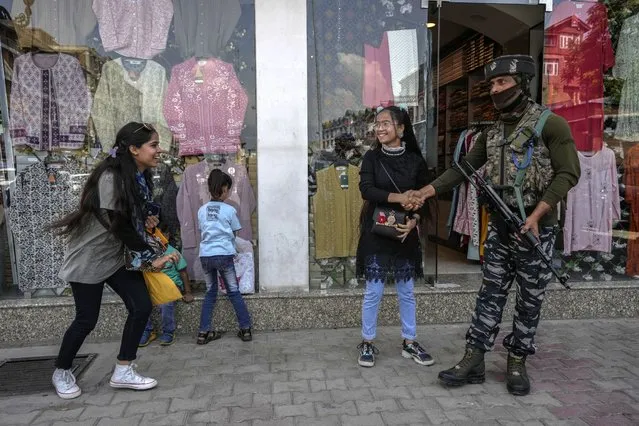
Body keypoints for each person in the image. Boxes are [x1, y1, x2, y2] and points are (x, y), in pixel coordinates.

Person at [411, 55, 580, 395]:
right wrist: (425, 191)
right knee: (489, 292)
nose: (495, 89)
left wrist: (536, 215)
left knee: (530, 298)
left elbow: (568, 173)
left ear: (522, 83)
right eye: (492, 84)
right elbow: (463, 169)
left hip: (536, 227)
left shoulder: (551, 124)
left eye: (501, 82)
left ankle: (517, 359)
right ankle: (474, 357)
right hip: (501, 227)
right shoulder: (491, 131)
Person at [50, 122, 181, 399]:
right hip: (89, 259)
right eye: (154, 145)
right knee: (87, 319)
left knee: (141, 306)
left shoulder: (139, 176)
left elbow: (133, 217)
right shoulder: (112, 176)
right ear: (133, 149)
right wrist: (153, 257)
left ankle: (123, 369)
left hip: (117, 257)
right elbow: (120, 224)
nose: (159, 150)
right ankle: (61, 370)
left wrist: (147, 218)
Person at [355, 105, 434, 368]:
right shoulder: (371, 159)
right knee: (373, 291)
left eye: (386, 123)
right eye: (377, 124)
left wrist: (414, 221)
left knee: (407, 291)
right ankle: (367, 342)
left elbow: (425, 199)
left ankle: (409, 342)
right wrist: (401, 197)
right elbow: (367, 190)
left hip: (404, 233)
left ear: (401, 128)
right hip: (376, 231)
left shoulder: (415, 160)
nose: (380, 128)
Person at [197, 169, 252, 344]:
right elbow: (235, 232)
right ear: (224, 188)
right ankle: (245, 329)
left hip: (206, 256)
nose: (228, 192)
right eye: (227, 188)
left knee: (210, 293)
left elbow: (203, 231)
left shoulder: (202, 210)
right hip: (224, 255)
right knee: (233, 292)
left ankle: (203, 333)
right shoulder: (229, 210)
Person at [139, 233, 193, 347]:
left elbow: (183, 272)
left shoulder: (172, 252)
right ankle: (147, 331)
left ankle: (168, 331)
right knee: (139, 301)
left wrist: (187, 292)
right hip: (154, 285)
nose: (153, 239)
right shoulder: (148, 253)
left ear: (166, 236)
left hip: (171, 285)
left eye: (156, 235)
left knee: (166, 303)